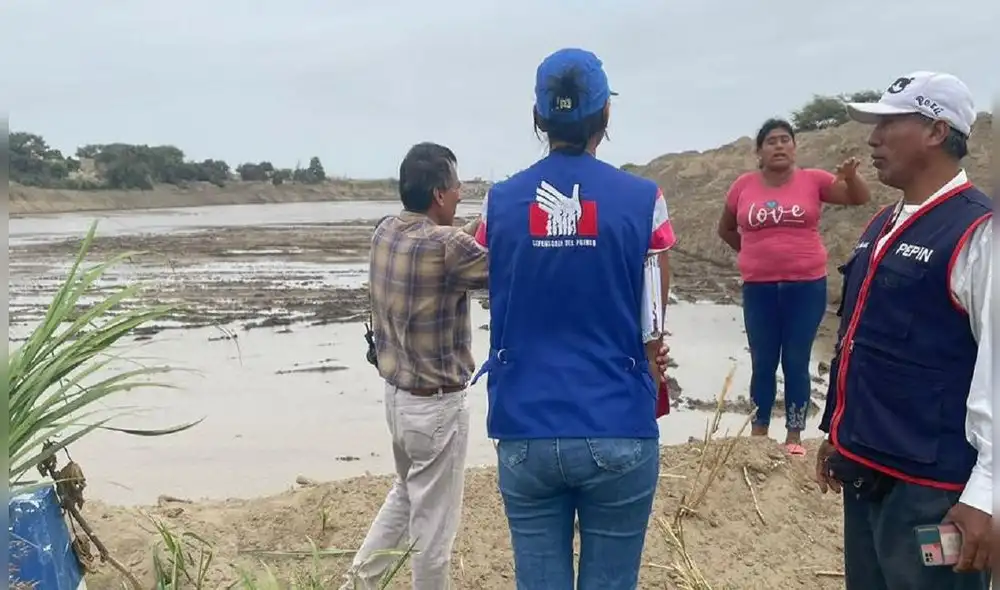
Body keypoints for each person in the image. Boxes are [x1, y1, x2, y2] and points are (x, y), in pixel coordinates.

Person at [470, 48, 676, 589]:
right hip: (617, 422)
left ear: (538, 118)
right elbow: (653, 325)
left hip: (526, 423)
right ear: (605, 114)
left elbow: (494, 282)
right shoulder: (643, 199)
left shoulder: (498, 204)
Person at [815, 71, 992, 589]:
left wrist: (985, 495)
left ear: (937, 132)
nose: (873, 139)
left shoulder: (979, 234)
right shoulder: (882, 225)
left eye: (889, 124)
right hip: (869, 478)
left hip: (935, 495)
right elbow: (862, 339)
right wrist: (839, 431)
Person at [343, 142, 487, 589]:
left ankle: (358, 584)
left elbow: (445, 243)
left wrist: (479, 225)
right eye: (457, 185)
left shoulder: (386, 230)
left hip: (398, 400)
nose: (462, 192)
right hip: (437, 410)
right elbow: (511, 271)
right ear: (440, 195)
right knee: (435, 532)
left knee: (405, 494)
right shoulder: (447, 246)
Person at [717, 118, 870, 455]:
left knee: (797, 359)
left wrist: (852, 177)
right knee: (763, 359)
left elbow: (860, 199)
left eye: (786, 140)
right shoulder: (743, 186)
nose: (779, 146)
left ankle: (794, 434)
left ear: (795, 147)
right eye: (771, 141)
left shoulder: (813, 180)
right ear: (759, 151)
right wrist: (755, 254)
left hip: (806, 286)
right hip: (759, 288)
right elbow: (726, 229)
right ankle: (759, 432)